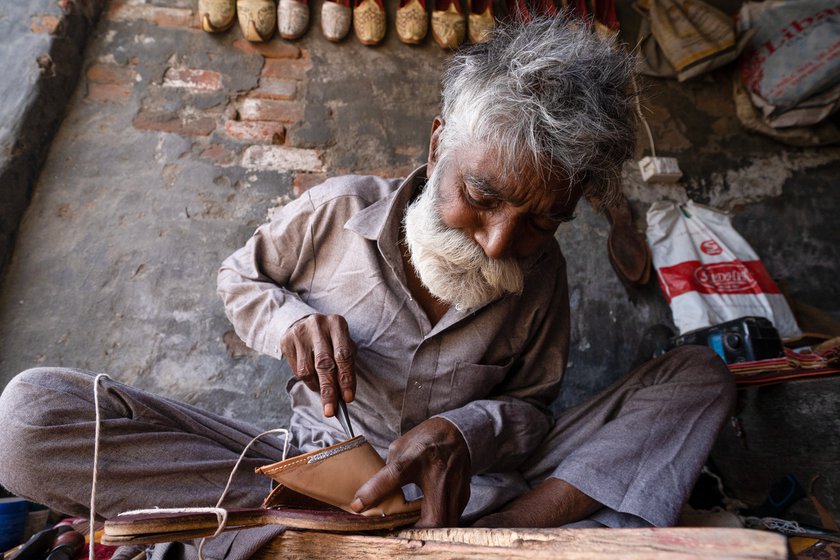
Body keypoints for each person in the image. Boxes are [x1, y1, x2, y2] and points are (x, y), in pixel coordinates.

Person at [0, 16, 734, 559]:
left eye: (543, 222)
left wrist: (466, 431)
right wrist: (287, 317)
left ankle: (472, 537)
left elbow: (534, 409)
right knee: (29, 417)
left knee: (701, 372)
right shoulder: (337, 211)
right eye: (481, 197)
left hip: (473, 486)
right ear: (440, 143)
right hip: (304, 477)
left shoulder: (541, 277)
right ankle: (385, 534)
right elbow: (240, 277)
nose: (500, 242)